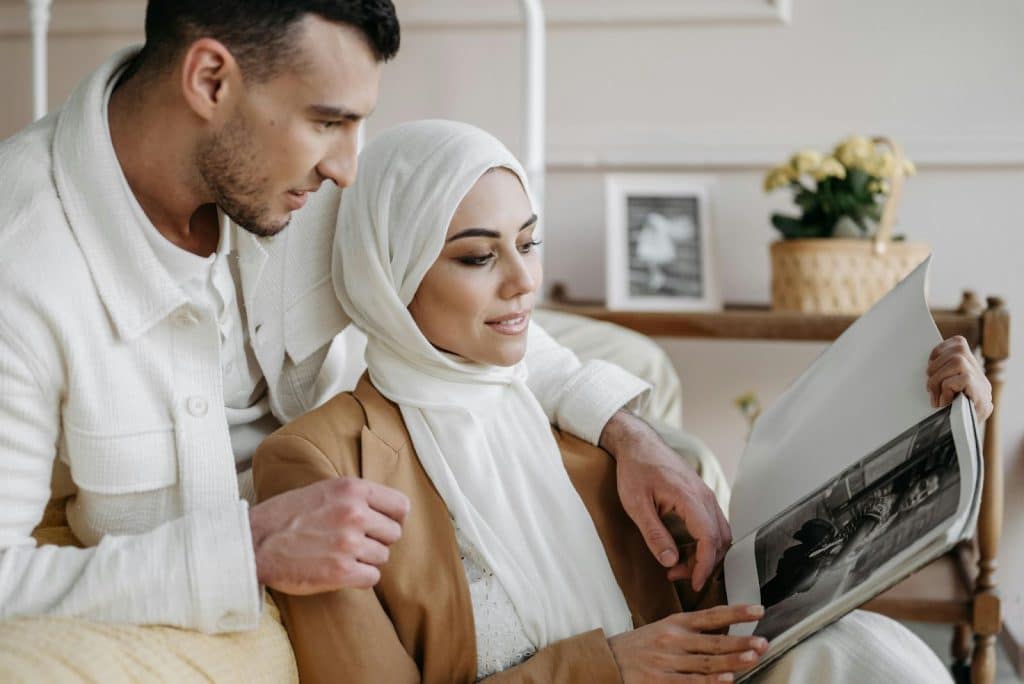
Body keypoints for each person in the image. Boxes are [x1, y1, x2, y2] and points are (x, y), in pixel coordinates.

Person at [0, 0, 736, 675]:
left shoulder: (295, 180)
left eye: (356, 123)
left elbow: (495, 318)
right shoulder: (23, 268)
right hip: (244, 546)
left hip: (377, 435)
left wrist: (627, 432)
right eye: (327, 122)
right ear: (210, 78)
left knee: (648, 395)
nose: (348, 167)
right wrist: (250, 546)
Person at [253, 119, 976, 683]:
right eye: (478, 256)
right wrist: (607, 669)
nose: (521, 282)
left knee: (862, 653)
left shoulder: (583, 427)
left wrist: (935, 424)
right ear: (388, 272)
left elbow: (716, 602)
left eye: (528, 244)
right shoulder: (321, 462)